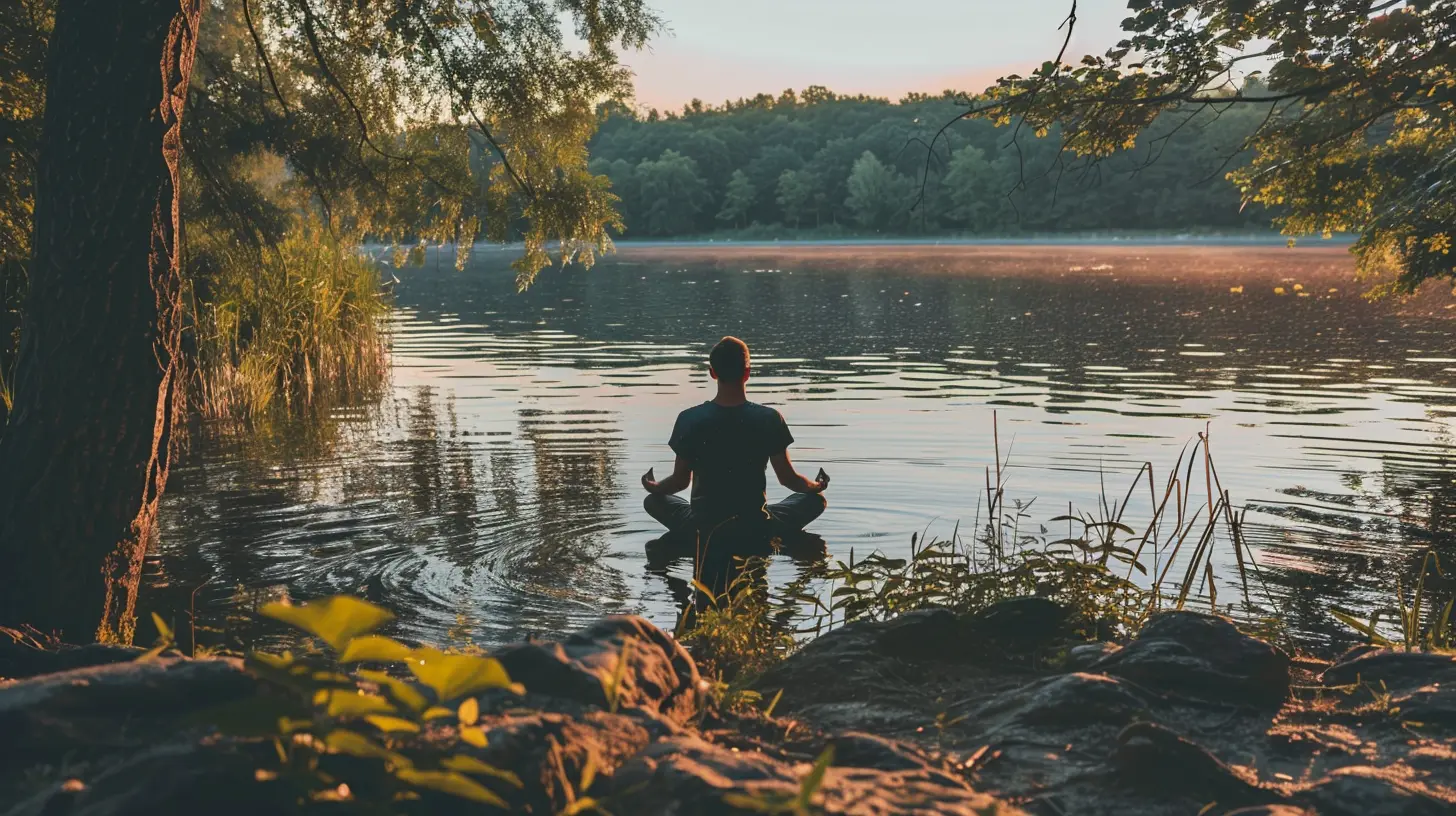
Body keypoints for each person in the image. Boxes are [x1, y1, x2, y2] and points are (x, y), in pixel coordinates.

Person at [642, 336, 829, 541]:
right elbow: (788, 479)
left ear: (712, 373)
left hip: (701, 526)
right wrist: (815, 486)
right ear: (747, 373)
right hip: (756, 525)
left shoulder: (689, 419)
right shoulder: (769, 419)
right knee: (816, 500)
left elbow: (679, 482)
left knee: (653, 501)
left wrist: (656, 487)